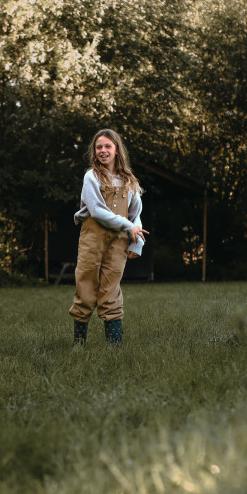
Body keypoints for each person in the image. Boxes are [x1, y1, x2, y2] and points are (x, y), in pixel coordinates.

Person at [69, 128, 148, 345]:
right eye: (99, 147)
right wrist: (127, 226)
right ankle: (79, 344)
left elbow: (136, 216)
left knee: (111, 288)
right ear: (94, 152)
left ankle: (114, 346)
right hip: (92, 239)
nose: (103, 150)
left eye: (107, 146)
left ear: (116, 150)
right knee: (85, 285)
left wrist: (136, 244)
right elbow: (96, 211)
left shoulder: (129, 181)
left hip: (119, 242)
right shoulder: (91, 176)